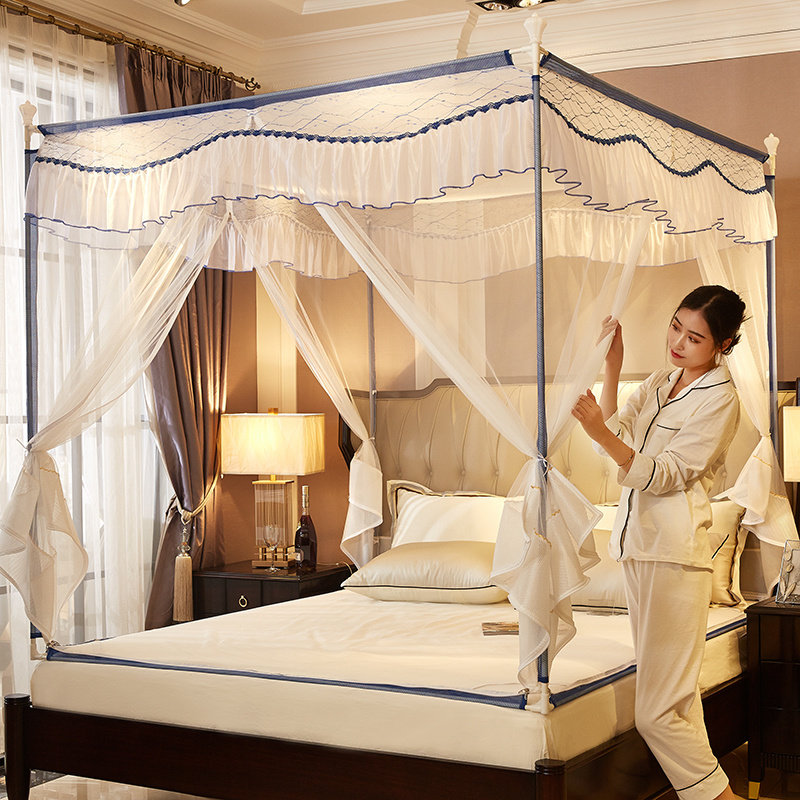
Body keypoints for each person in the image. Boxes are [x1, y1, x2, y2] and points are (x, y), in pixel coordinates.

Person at [571, 285, 747, 800]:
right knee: (678, 705)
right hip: (636, 550)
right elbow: (616, 435)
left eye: (694, 338)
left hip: (674, 556)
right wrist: (612, 367)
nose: (678, 343)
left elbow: (666, 473)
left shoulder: (721, 399)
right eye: (676, 327)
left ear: (722, 344)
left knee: (657, 714)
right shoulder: (658, 381)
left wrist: (601, 434)